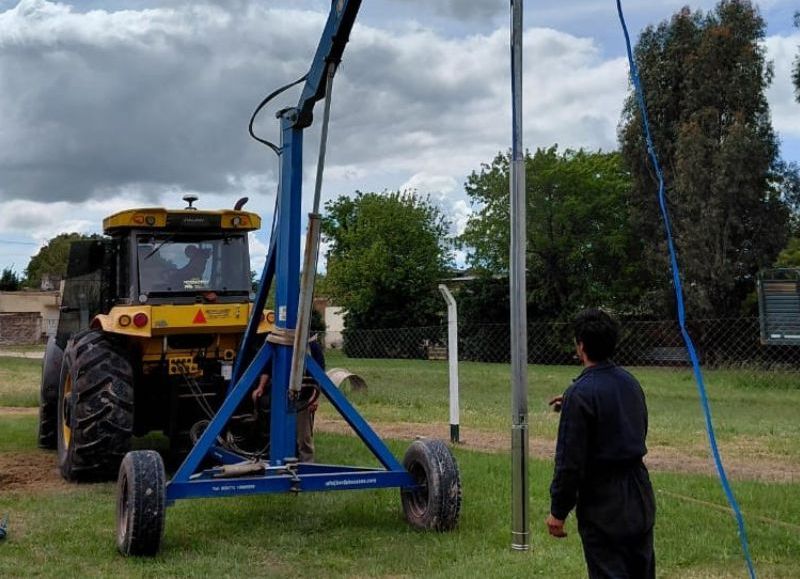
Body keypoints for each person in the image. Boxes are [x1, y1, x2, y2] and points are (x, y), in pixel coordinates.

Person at [547, 308, 656, 579]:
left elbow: (569, 463)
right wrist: (572, 404)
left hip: (604, 503)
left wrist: (558, 512)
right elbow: (630, 422)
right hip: (640, 495)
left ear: (581, 345)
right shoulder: (630, 382)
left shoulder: (581, 393)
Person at [251, 336, 325, 462]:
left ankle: (307, 464)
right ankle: (274, 460)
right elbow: (268, 367)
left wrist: (315, 397)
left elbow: (319, 374)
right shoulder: (279, 343)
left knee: (303, 437)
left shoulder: (311, 346)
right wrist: (260, 387)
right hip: (280, 397)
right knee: (276, 432)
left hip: (303, 399)